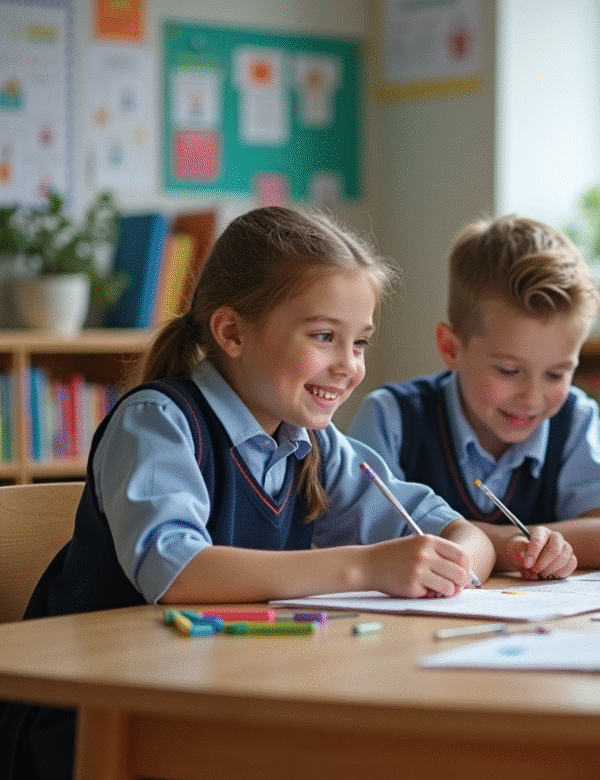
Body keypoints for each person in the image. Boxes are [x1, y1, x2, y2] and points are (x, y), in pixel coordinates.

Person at [0, 206, 494, 780]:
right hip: (91, 721)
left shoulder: (313, 442)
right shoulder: (159, 422)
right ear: (232, 332)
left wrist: (459, 559)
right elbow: (178, 572)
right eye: (324, 337)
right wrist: (364, 567)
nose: (349, 366)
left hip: (213, 697)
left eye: (358, 342)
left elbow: (445, 524)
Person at [350, 215, 600, 580]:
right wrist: (508, 546)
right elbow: (375, 536)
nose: (532, 397)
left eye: (556, 373)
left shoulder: (575, 419)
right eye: (508, 371)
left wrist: (527, 544)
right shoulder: (392, 418)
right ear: (451, 348)